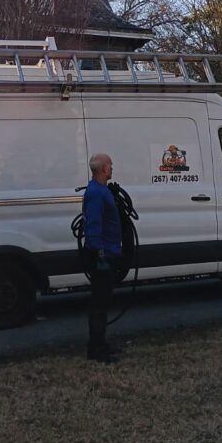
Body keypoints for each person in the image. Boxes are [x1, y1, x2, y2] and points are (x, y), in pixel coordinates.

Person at [83, 152, 123, 363]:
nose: (112, 168)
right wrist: (100, 255)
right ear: (103, 169)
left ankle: (101, 343)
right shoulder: (96, 193)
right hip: (103, 255)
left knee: (103, 302)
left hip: (109, 252)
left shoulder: (100, 190)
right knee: (99, 304)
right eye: (110, 165)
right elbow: (93, 226)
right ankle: (96, 350)